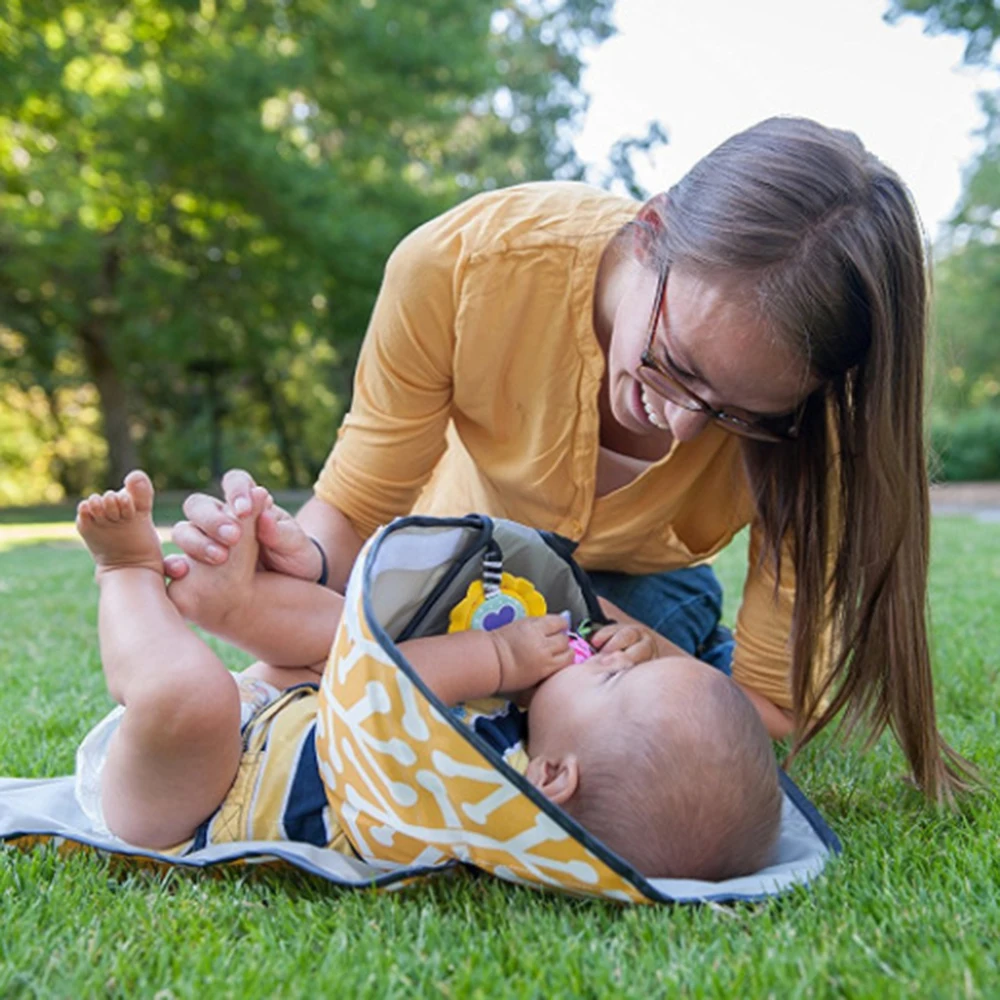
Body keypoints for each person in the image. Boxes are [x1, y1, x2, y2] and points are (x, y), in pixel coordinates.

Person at [165, 116, 975, 802]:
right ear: (652, 229)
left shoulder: (820, 427)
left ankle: (681, 646)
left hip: (636, 598)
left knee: (608, 746)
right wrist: (293, 559)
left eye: (740, 416)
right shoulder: (459, 269)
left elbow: (771, 713)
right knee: (353, 657)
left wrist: (658, 664)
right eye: (676, 363)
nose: (685, 427)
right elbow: (353, 512)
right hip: (444, 564)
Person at [75, 471, 781, 880]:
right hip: (281, 719)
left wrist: (499, 659)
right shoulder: (526, 739)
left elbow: (376, 686)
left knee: (189, 697)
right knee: (350, 629)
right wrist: (606, 651)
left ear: (555, 778)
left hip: (194, 802)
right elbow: (359, 654)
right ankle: (237, 605)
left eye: (615, 678)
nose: (615, 656)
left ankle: (126, 577)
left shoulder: (481, 809)